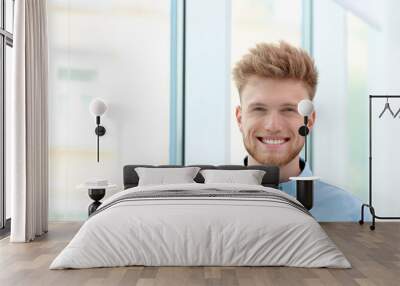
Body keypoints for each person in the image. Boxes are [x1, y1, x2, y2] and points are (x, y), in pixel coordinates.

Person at [232, 41, 365, 221]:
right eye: (259, 109)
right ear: (240, 118)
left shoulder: (352, 215)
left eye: (288, 110)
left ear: (309, 121)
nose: (273, 126)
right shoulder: (208, 209)